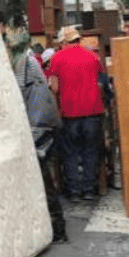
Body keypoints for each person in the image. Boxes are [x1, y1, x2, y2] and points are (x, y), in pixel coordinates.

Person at [6, 27, 68, 242]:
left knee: (43, 179)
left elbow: (20, 95)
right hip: (41, 125)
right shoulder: (24, 62)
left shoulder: (25, 64)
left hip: (41, 127)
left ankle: (58, 229)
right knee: (39, 179)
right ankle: (47, 227)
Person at [48, 26, 105, 201]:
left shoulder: (57, 58)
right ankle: (89, 189)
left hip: (69, 113)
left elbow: (55, 88)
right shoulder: (93, 57)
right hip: (93, 111)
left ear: (64, 41)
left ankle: (74, 192)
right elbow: (100, 82)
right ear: (78, 39)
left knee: (71, 152)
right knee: (90, 151)